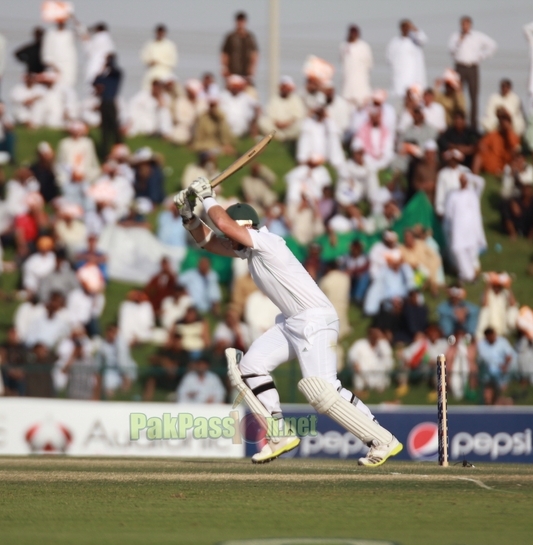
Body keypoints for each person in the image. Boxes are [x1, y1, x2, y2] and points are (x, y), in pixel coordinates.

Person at [175, 178, 402, 468]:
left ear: (245, 226)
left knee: (322, 391)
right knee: (248, 369)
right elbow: (209, 242)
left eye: (232, 231)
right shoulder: (250, 250)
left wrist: (208, 197)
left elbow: (225, 227)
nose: (228, 239)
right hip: (293, 322)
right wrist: (188, 215)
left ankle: (382, 440)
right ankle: (278, 435)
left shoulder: (268, 241)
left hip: (314, 319)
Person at [448, 15, 496, 128]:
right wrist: (459, 41)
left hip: (472, 67)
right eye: (463, 24)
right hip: (459, 67)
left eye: (467, 24)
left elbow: (492, 45)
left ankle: (473, 124)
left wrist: (481, 56)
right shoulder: (455, 36)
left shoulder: (477, 36)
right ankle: (459, 121)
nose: (465, 27)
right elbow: (451, 50)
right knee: (458, 95)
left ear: (470, 25)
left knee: (474, 96)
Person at [444, 172, 485, 283]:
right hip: (458, 228)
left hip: (471, 228)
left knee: (471, 252)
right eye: (461, 179)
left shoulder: (473, 194)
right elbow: (448, 213)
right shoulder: (453, 195)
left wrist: (469, 176)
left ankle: (463, 275)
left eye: (464, 179)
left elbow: (481, 182)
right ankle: (470, 276)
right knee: (457, 249)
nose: (463, 180)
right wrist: (449, 227)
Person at [347, 327, 394, 397]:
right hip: (362, 372)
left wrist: (383, 342)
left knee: (384, 365)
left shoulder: (383, 345)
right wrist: (355, 363)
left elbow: (388, 358)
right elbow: (352, 355)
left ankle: (379, 390)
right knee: (358, 368)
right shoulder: (360, 344)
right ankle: (360, 390)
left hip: (378, 373)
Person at [386, 20, 427, 98]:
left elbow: (424, 39)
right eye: (404, 27)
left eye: (407, 27)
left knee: (415, 97)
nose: (406, 29)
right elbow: (389, 59)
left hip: (415, 79)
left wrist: (413, 28)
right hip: (400, 80)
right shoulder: (394, 42)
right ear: (400, 28)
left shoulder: (416, 40)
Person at [93, 53, 123, 161]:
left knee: (114, 126)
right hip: (104, 103)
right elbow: (95, 82)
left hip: (111, 102)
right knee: (105, 130)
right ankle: (105, 153)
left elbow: (116, 71)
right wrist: (103, 69)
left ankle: (119, 147)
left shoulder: (116, 75)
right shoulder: (104, 77)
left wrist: (109, 65)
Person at [476, 327, 516, 404]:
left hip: (503, 367)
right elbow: (481, 360)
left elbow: (509, 355)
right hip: (488, 370)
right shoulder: (481, 344)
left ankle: (504, 390)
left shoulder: (502, 341)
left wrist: (505, 364)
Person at [258, 76, 306, 141]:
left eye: (287, 88)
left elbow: (298, 115)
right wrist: (277, 123)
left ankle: (283, 137)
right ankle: (280, 137)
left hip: (290, 126)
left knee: (302, 124)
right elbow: (270, 114)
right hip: (276, 126)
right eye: (284, 87)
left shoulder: (295, 99)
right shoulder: (274, 98)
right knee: (263, 121)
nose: (286, 90)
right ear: (280, 87)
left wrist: (288, 123)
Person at [41, 13, 77, 90]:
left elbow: (84, 33)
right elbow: (46, 52)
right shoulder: (51, 33)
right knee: (54, 89)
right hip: (54, 66)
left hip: (68, 65)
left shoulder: (69, 33)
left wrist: (74, 19)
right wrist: (53, 66)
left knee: (68, 87)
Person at [221, 11, 258, 85]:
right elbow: (225, 53)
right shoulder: (231, 37)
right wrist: (225, 68)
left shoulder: (250, 37)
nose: (240, 23)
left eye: (242, 21)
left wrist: (252, 68)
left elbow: (254, 53)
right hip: (233, 71)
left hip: (246, 73)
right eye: (239, 21)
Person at [340, 25, 373, 107]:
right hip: (348, 86)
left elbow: (369, 64)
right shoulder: (344, 46)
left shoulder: (364, 46)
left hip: (361, 85)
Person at [140, 24, 177, 91]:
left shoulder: (170, 45)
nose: (160, 34)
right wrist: (150, 62)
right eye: (158, 32)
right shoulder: (150, 44)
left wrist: (159, 61)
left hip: (165, 71)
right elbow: (144, 58)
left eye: (161, 32)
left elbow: (173, 62)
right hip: (152, 71)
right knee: (147, 89)